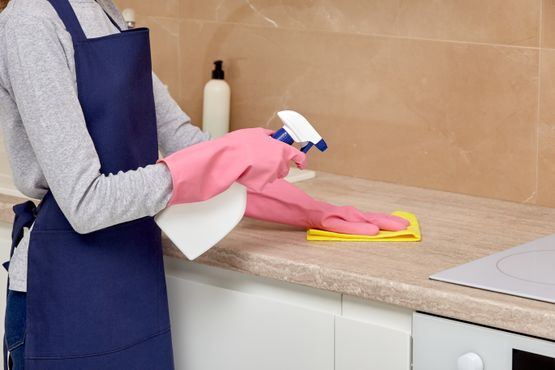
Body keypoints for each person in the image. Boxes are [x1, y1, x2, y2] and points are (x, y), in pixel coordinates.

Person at [0, 0, 409, 368]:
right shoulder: (31, 21)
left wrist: (312, 211)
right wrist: (227, 156)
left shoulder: (106, 14)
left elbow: (187, 143)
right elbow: (87, 201)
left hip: (133, 277)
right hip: (66, 293)